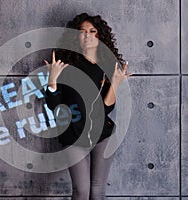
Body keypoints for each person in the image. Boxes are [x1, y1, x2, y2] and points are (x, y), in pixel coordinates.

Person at [43, 13, 132, 200]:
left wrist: (115, 83)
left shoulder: (108, 65)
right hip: (74, 136)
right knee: (81, 192)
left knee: (98, 191)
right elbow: (55, 108)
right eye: (82, 31)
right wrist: (52, 80)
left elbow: (106, 109)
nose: (87, 35)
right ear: (76, 36)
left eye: (93, 31)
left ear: (100, 36)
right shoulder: (65, 66)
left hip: (103, 135)